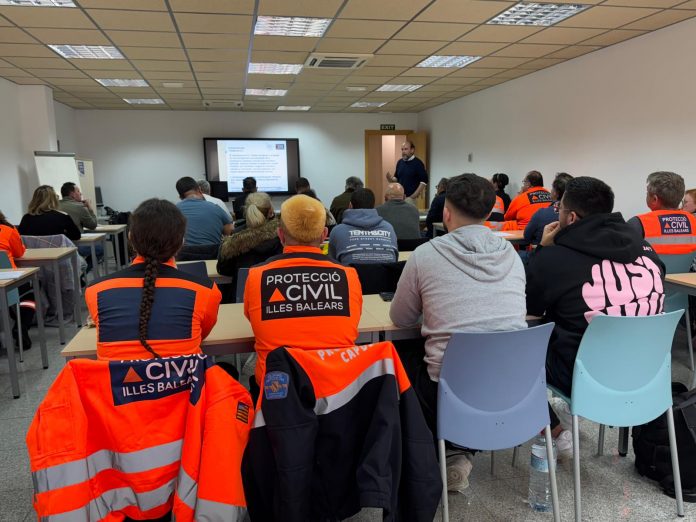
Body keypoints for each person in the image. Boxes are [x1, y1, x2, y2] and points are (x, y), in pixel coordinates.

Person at [390, 173, 527, 492]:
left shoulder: (426, 255)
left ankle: (424, 458)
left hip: (447, 392)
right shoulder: (512, 254)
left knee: (397, 355)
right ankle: (458, 452)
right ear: (491, 209)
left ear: (446, 213)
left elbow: (401, 317)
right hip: (515, 388)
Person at [527, 177, 665, 458]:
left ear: (571, 217)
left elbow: (531, 305)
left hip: (583, 376)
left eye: (560, 209)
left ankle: (555, 430)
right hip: (647, 374)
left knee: (514, 349)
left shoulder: (555, 259)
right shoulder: (648, 252)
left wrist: (542, 250)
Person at [244, 194, 363, 392]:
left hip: (278, 393)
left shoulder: (257, 275)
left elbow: (252, 318)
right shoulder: (348, 275)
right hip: (338, 390)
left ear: (281, 235)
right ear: (324, 234)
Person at [85, 198, 222, 360]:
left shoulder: (95, 291)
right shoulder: (206, 291)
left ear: (130, 237)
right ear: (181, 242)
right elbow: (201, 335)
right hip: (185, 384)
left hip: (115, 385)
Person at [217, 192, 282, 289]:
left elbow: (223, 270)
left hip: (243, 294)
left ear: (246, 211)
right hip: (276, 292)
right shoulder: (281, 235)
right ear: (270, 211)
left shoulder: (235, 236)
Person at [628, 171, 696, 255]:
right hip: (687, 268)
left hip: (652, 268)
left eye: (647, 193)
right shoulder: (693, 220)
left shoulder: (637, 223)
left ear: (654, 199)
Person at [329, 188, 398, 264]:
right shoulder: (389, 228)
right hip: (385, 275)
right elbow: (395, 259)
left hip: (351, 275)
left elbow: (332, 264)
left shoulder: (337, 231)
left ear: (350, 205)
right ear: (373, 206)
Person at [175, 176, 233, 259]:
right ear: (200, 189)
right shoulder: (215, 207)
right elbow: (230, 232)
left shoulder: (173, 211)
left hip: (183, 259)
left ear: (180, 197)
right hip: (213, 259)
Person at [59, 181, 102, 272]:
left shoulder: (55, 206)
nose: (80, 193)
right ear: (72, 194)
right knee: (99, 249)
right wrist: (89, 208)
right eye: (78, 191)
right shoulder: (79, 207)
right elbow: (93, 225)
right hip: (74, 245)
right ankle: (81, 274)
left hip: (58, 246)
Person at [524, 173, 573, 245]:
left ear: (556, 193)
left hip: (541, 253)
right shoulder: (577, 215)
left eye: (552, 187)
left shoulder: (542, 213)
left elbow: (527, 237)